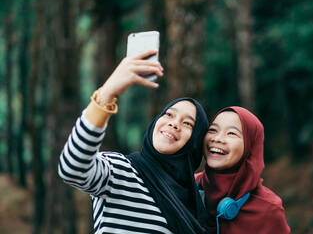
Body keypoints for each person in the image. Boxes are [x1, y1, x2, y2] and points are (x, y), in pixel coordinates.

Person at [58, 50, 208, 234]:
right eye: (169, 114)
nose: (174, 123)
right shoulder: (120, 170)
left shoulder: (195, 204)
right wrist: (107, 93)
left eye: (187, 123)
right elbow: (72, 169)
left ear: (195, 142)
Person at [195, 106, 291, 234]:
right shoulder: (186, 186)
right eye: (213, 130)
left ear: (250, 146)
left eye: (231, 133)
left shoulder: (269, 210)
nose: (217, 138)